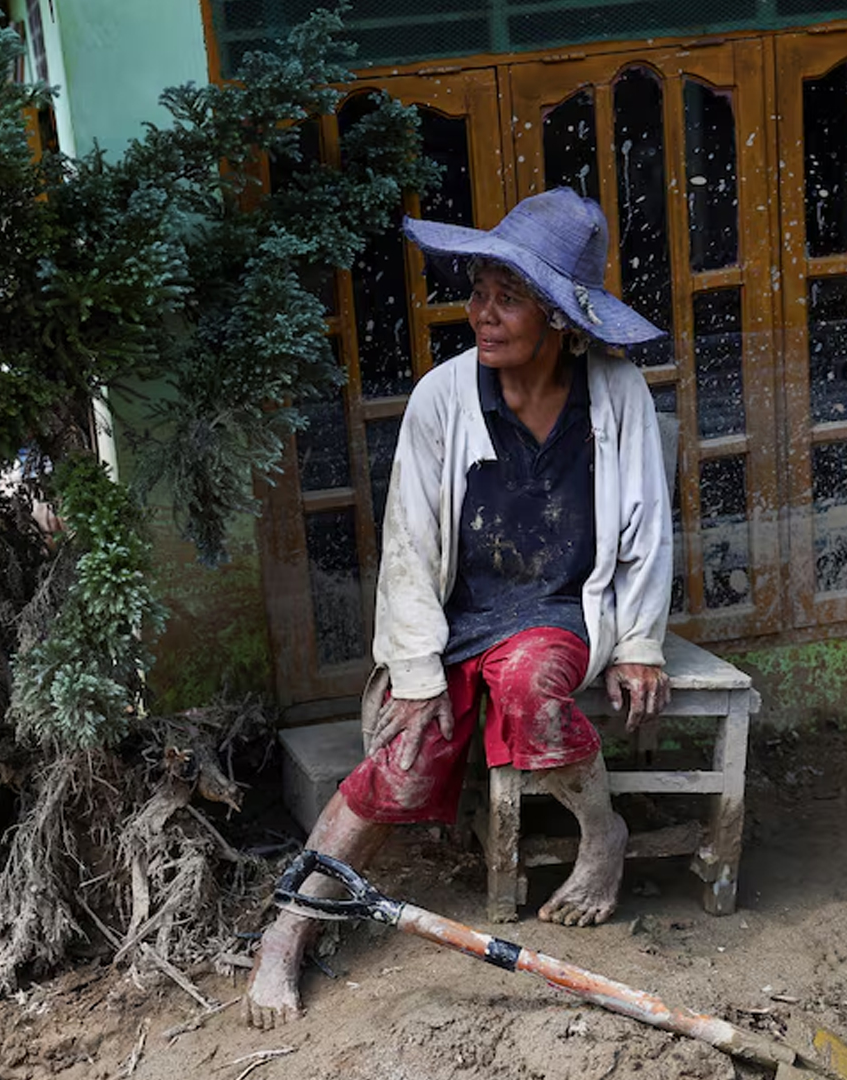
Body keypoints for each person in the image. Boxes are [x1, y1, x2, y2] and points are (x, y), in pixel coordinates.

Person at [246, 188, 675, 1028]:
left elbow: (647, 533)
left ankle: (602, 833)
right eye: (478, 291)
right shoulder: (444, 398)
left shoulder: (615, 394)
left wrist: (642, 644)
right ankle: (288, 930)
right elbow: (408, 549)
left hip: (560, 611)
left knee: (530, 688)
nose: (482, 312)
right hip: (457, 618)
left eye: (506, 298)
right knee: (403, 755)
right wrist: (413, 668)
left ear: (558, 317)